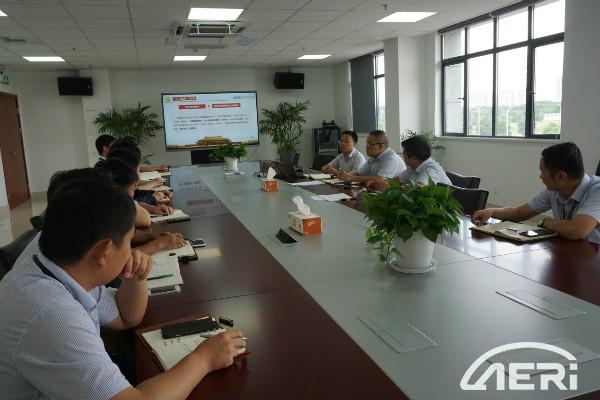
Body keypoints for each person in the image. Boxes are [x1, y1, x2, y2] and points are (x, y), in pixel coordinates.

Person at [0, 176, 245, 400]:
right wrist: (203, 359)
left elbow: (126, 316)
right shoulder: (50, 314)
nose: (131, 250)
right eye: (129, 242)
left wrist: (136, 277)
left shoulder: (57, 257)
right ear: (103, 251)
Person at [472, 142, 600, 243]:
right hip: (569, 252)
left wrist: (546, 223)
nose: (540, 176)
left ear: (561, 176)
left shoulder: (597, 190)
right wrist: (492, 212)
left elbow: (576, 230)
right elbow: (519, 213)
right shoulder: (555, 190)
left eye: (543, 171)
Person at [96, 158, 185, 254]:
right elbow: (117, 257)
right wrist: (159, 244)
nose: (133, 195)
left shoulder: (107, 206)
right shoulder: (103, 217)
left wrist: (155, 236)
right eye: (133, 189)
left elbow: (127, 233)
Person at [366, 135, 451, 191]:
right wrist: (377, 183)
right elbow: (396, 180)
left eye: (404, 154)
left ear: (414, 158)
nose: (402, 157)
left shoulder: (431, 170)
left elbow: (418, 190)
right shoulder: (414, 167)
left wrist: (389, 188)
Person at [337, 130, 405, 185]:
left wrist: (351, 178)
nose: (366, 147)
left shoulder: (391, 159)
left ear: (381, 146)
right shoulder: (373, 158)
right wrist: (345, 175)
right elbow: (359, 173)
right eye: (367, 143)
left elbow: (379, 179)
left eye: (370, 144)